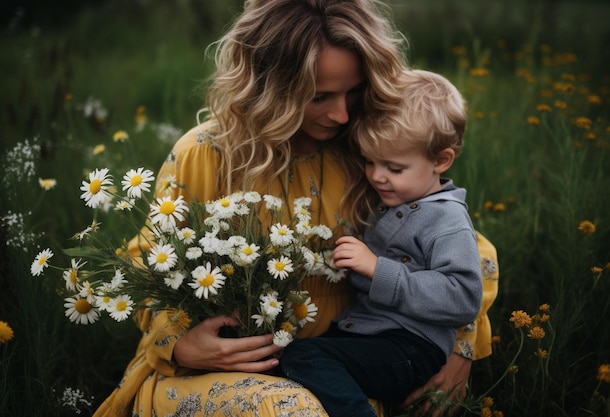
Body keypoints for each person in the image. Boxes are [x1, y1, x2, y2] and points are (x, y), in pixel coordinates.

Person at [93, 1, 498, 416]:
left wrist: (459, 348)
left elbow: (468, 251)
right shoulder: (207, 155)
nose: (341, 114)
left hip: (340, 364)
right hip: (218, 372)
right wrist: (181, 344)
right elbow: (147, 265)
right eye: (319, 96)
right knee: (293, 409)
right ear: (269, 88)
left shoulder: (366, 153)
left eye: (354, 91)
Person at [279, 69, 483, 417]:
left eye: (394, 167)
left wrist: (377, 268)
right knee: (289, 356)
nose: (376, 175)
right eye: (370, 161)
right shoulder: (396, 202)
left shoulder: (446, 220)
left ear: (441, 161)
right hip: (373, 335)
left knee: (303, 357)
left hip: (412, 346)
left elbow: (463, 296)